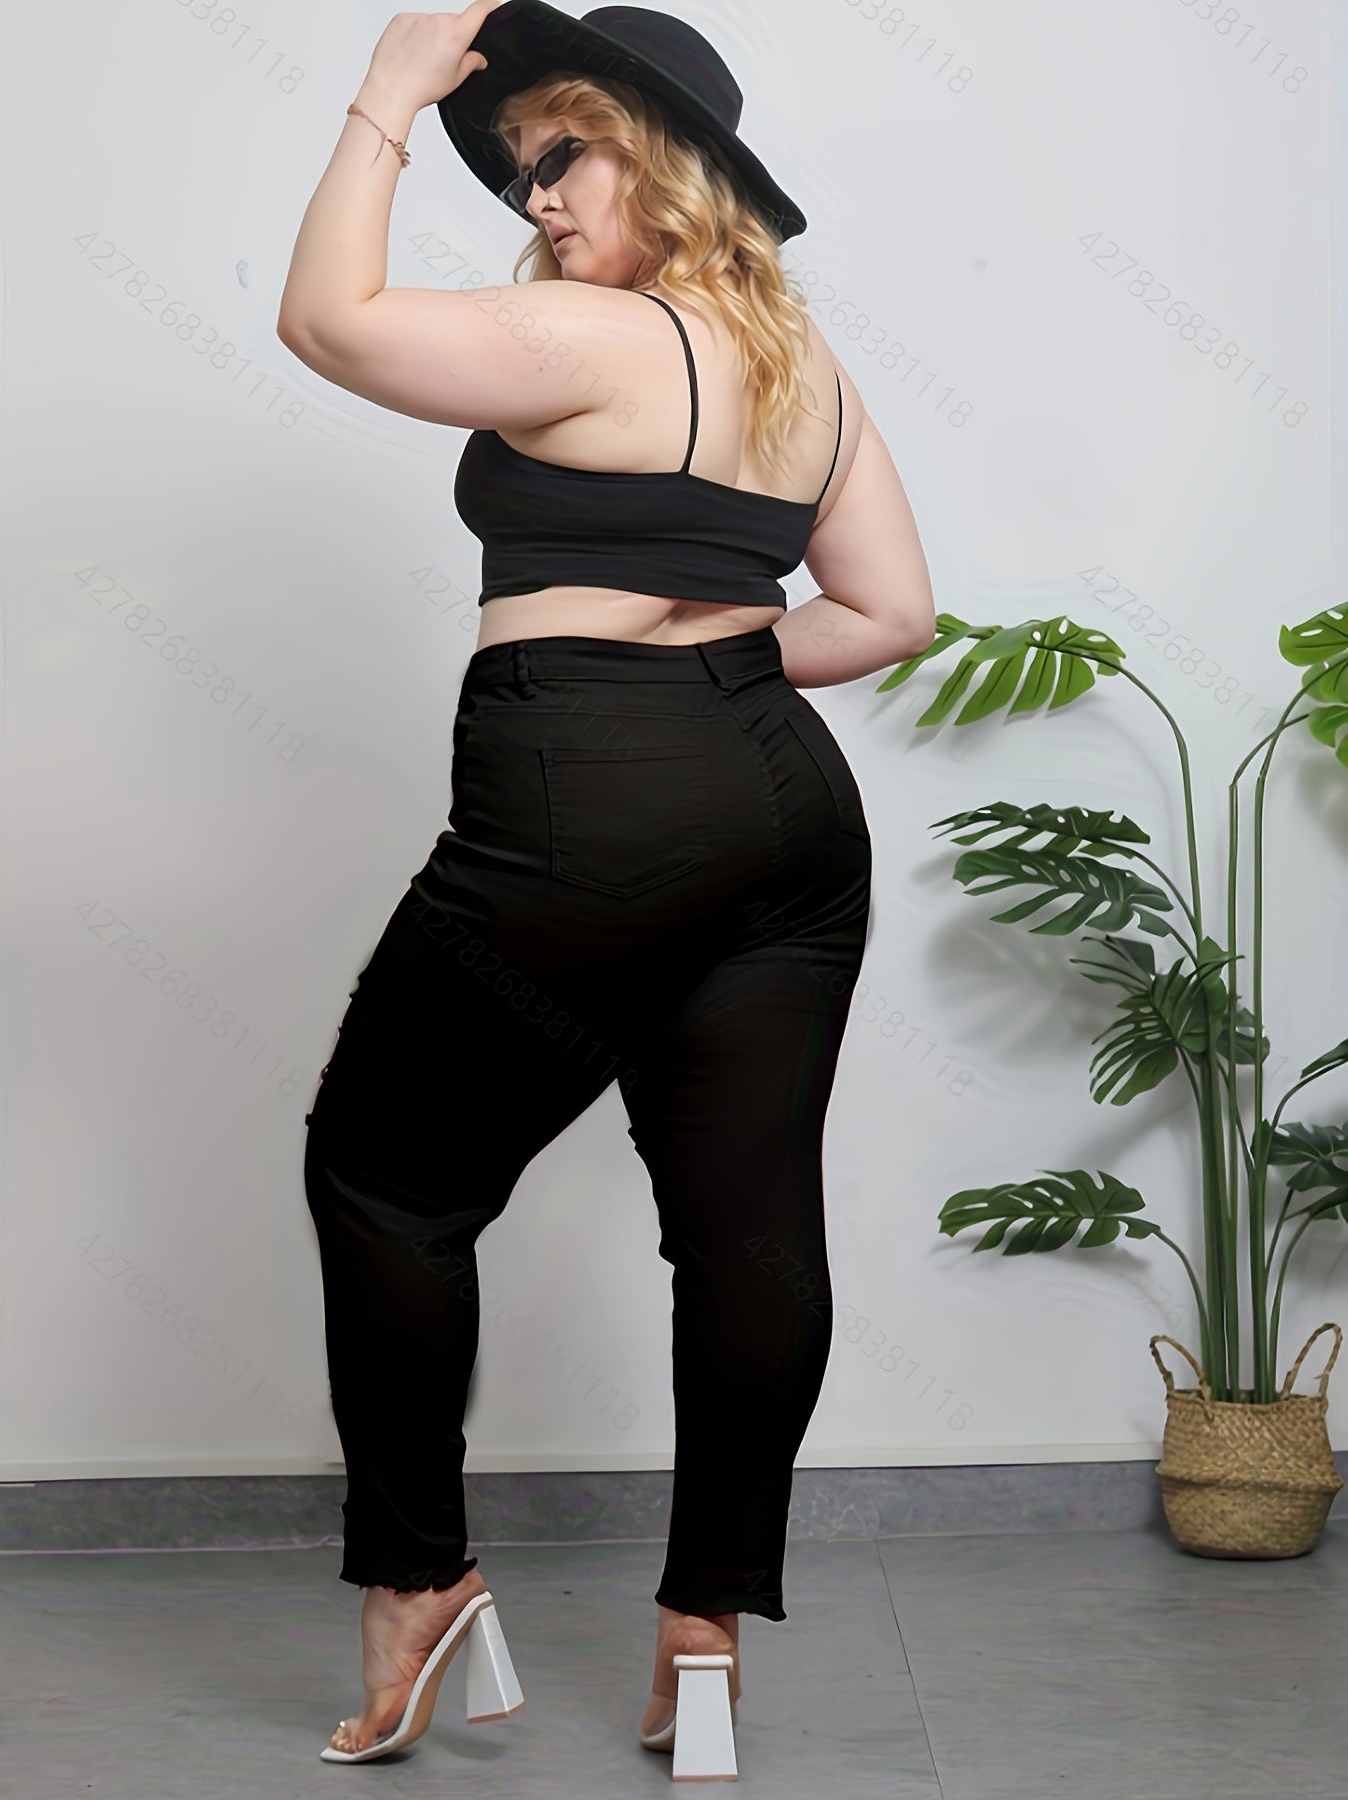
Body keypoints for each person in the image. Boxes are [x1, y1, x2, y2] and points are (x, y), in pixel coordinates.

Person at [276, 0, 935, 1770]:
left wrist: (389, 93)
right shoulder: (804, 370)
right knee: (744, 1227)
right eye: (518, 169)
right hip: (788, 817)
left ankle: (416, 1584)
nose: (536, 197)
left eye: (558, 154)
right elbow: (890, 614)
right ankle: (703, 1636)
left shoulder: (598, 334)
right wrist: (710, 670)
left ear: (660, 157)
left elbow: (326, 321)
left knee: (385, 1178)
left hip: (591, 799)